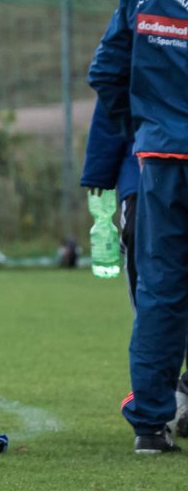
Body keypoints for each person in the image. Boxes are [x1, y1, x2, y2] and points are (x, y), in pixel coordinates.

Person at [88, 0, 188, 454]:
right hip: (163, 148)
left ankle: (152, 424)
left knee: (162, 291)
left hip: (160, 160)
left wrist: (148, 119)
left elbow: (106, 72)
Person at [80, 100, 188, 438]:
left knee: (156, 293)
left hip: (153, 163)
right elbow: (112, 80)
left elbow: (109, 73)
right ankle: (157, 406)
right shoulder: (137, 45)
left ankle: (157, 414)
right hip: (146, 168)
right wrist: (99, 166)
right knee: (154, 293)